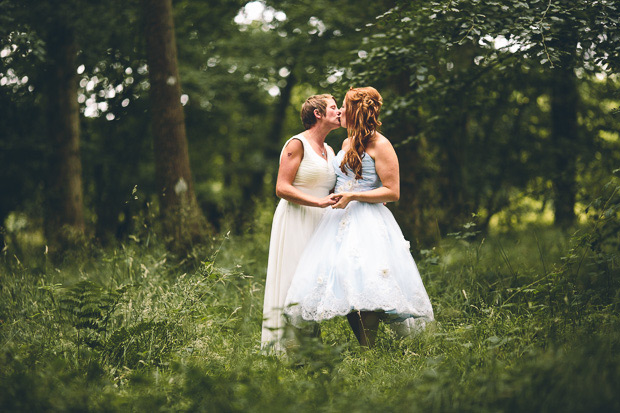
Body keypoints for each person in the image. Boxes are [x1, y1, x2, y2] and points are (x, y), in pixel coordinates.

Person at [284, 87, 434, 347]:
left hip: (368, 220)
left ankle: (369, 347)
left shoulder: (381, 144)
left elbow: (393, 191)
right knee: (348, 280)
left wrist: (354, 197)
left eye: (343, 105)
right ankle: (365, 345)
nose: (340, 110)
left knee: (368, 280)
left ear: (356, 110)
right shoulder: (344, 143)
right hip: (337, 221)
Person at [261, 94, 342, 353]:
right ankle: (285, 347)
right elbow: (281, 187)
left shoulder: (329, 150)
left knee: (313, 281)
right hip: (296, 218)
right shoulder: (297, 144)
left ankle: (309, 346)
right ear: (317, 114)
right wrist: (316, 202)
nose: (339, 111)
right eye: (333, 107)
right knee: (293, 277)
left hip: (321, 222)